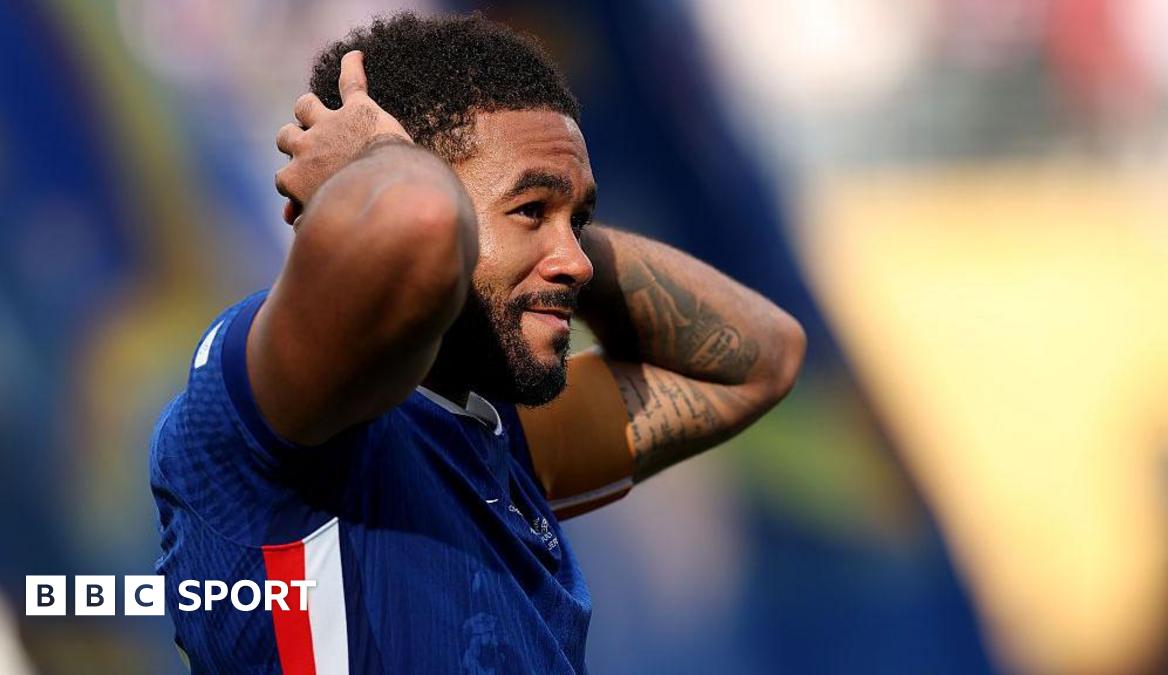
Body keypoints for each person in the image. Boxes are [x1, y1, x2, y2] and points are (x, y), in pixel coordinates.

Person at [150, 12, 805, 674]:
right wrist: (384, 170)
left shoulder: (499, 438)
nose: (576, 263)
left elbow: (758, 358)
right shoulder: (275, 406)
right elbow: (421, 223)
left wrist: (548, 226)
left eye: (577, 220)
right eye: (529, 210)